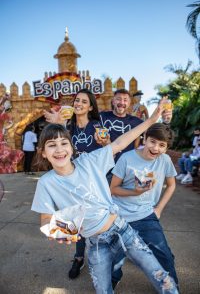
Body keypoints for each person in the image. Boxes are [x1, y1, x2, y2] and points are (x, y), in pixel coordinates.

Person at [31, 104, 179, 294]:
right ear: (43, 152)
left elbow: (119, 143)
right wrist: (57, 231)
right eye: (52, 145)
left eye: (63, 143)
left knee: (159, 274)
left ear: (71, 147)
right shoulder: (46, 183)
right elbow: (45, 220)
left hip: (122, 228)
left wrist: (150, 121)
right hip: (96, 243)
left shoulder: (89, 161)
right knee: (103, 288)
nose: (59, 150)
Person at [110, 123, 179, 289]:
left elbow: (171, 185)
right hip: (119, 215)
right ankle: (113, 278)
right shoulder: (126, 158)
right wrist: (135, 192)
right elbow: (112, 189)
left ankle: (171, 287)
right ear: (145, 138)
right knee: (114, 258)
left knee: (165, 256)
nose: (156, 148)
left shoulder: (165, 160)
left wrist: (158, 210)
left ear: (166, 147)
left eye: (162, 145)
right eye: (152, 141)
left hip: (146, 214)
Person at [44, 89, 102, 279]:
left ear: (90, 107)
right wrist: (59, 122)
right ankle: (79, 258)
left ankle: (101, 257)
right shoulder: (68, 127)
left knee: (96, 218)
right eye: (77, 100)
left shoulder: (96, 126)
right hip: (74, 179)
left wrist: (106, 142)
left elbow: (106, 151)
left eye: (84, 101)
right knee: (78, 217)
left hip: (94, 180)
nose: (78, 104)